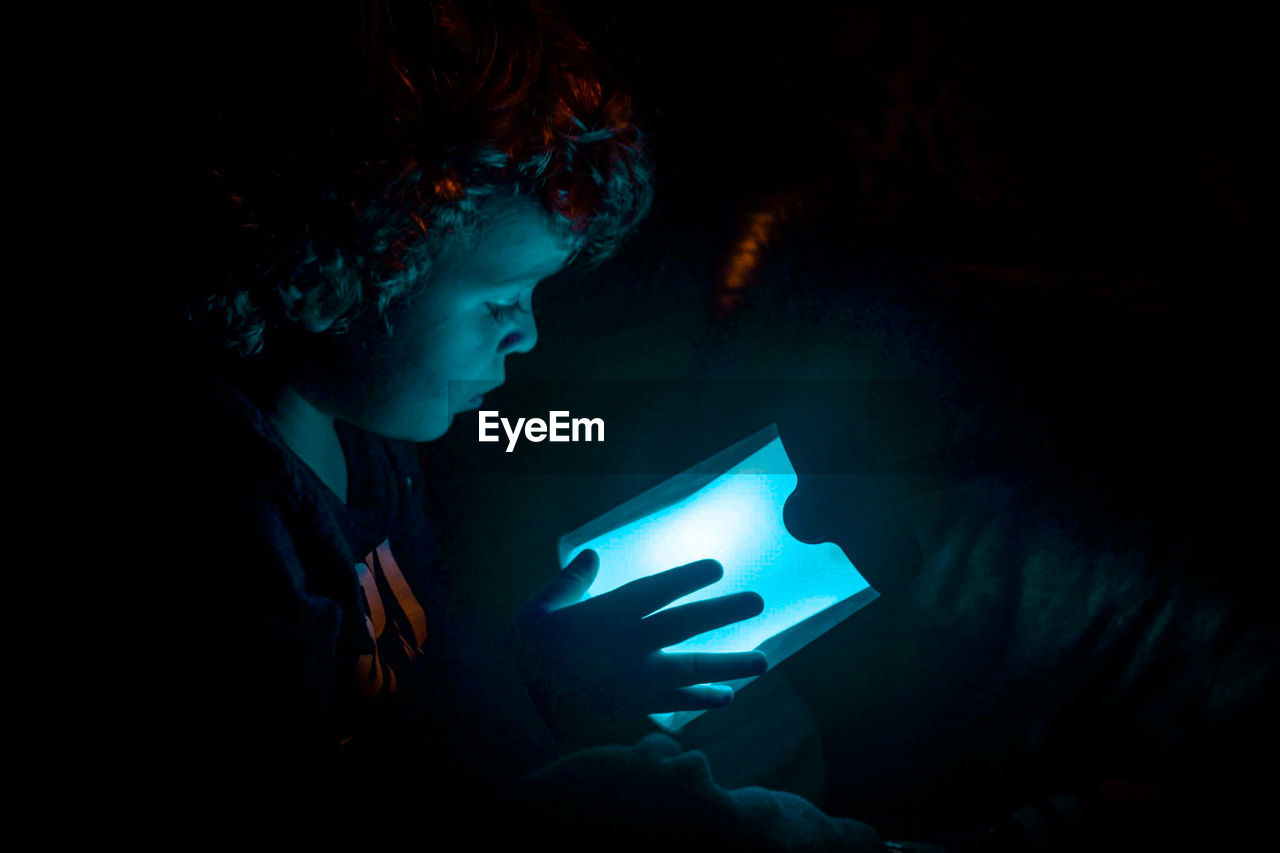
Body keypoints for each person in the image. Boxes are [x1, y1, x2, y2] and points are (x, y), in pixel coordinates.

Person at [160, 0, 937, 847]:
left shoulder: (370, 437)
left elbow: (442, 679)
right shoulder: (232, 528)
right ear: (347, 264)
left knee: (756, 725)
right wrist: (546, 714)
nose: (526, 332)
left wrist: (536, 681)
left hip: (507, 737)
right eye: (500, 299)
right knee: (664, 802)